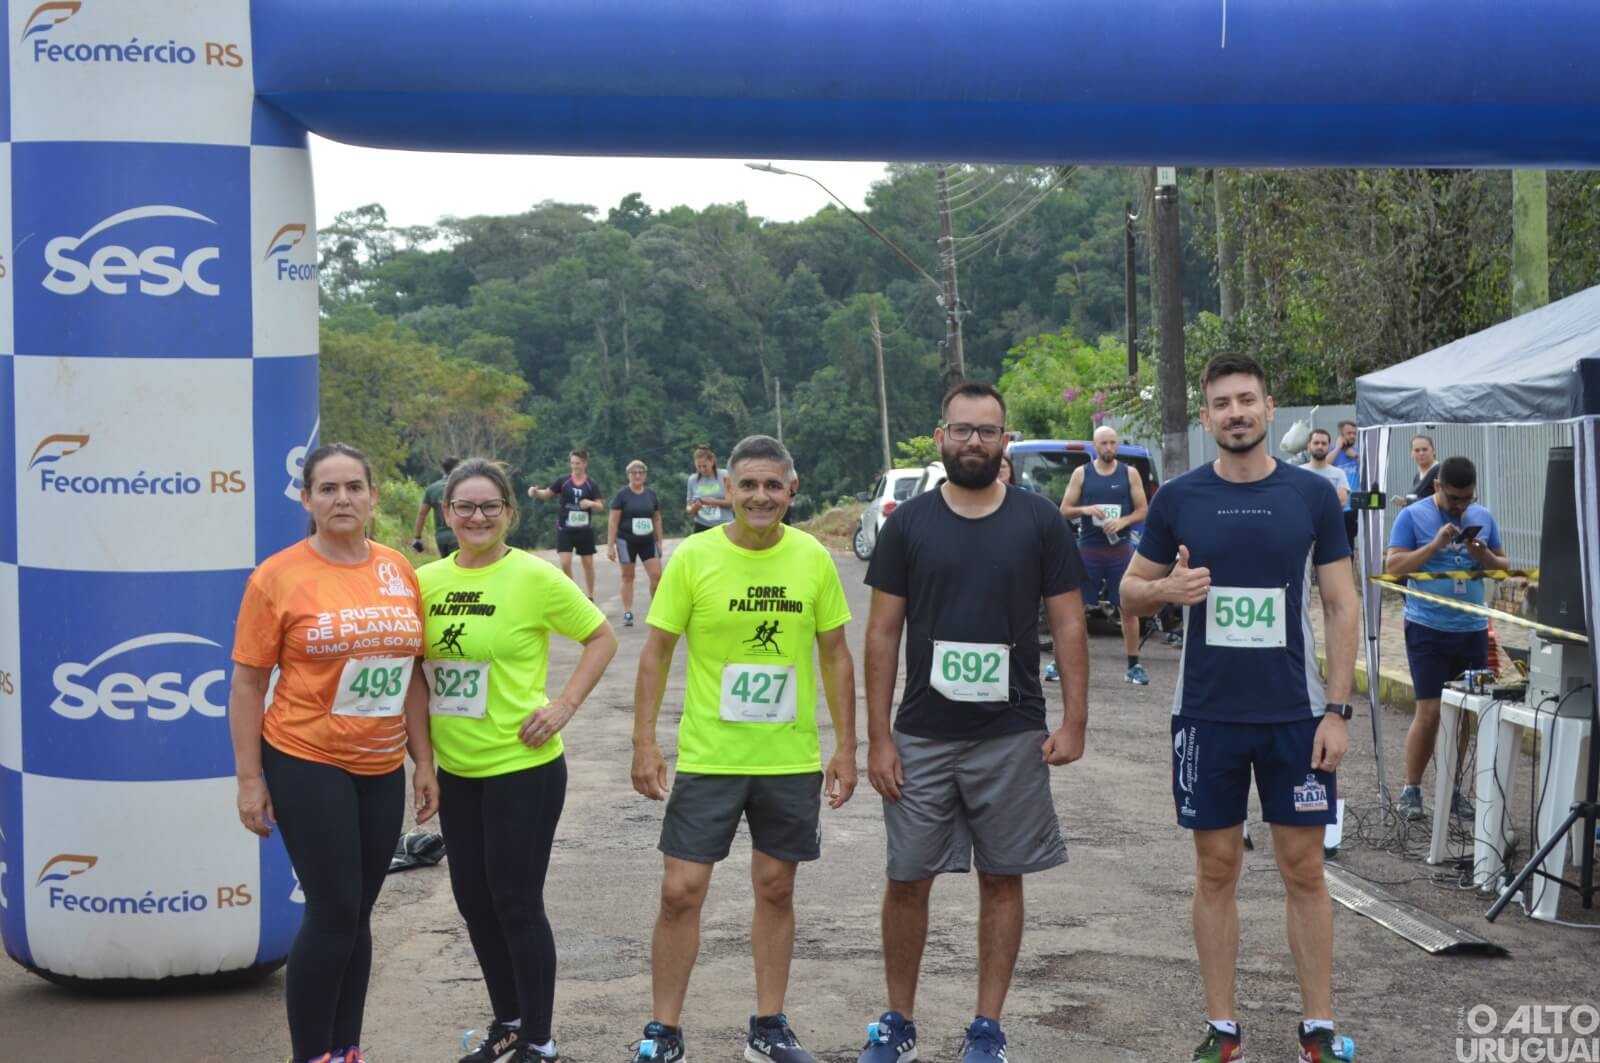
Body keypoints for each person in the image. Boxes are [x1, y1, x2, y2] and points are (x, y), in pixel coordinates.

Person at [1120, 352, 1360, 1063]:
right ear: (1205, 417)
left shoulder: (1313, 496)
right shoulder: (1178, 499)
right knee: (1217, 867)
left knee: (1304, 868)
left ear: (1268, 407)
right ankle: (1222, 1030)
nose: (1235, 413)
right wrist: (1169, 591)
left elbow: (1343, 604)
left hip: (1295, 713)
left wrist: (1338, 710)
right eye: (1221, 403)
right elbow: (1131, 589)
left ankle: (1317, 1028)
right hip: (1207, 713)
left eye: (1246, 400)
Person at [857, 382, 1089, 1063]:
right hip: (922, 732)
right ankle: (898, 1021)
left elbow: (1071, 622)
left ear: (1004, 439)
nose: (974, 442)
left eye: (987, 431)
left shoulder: (1039, 520)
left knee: (1002, 874)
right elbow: (881, 634)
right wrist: (879, 736)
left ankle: (987, 1027)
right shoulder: (910, 523)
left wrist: (1075, 720)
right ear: (940, 436)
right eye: (962, 430)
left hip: (1012, 731)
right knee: (907, 875)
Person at [629, 434, 857, 1063]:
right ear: (725, 490)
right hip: (710, 756)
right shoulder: (694, 558)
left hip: (787, 758)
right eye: (748, 485)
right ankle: (664, 1032)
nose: (760, 496)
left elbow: (835, 655)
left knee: (776, 887)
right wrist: (644, 741)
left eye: (773, 485)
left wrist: (847, 746)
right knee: (681, 890)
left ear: (792, 490)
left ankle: (768, 1026)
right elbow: (656, 652)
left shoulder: (813, 558)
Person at [230, 443, 438, 1063]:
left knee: (360, 912)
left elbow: (411, 674)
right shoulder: (278, 575)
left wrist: (422, 762)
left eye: (353, 487)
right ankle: (310, 1055)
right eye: (328, 489)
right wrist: (249, 778)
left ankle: (346, 1050)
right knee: (333, 908)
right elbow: (245, 682)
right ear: (307, 500)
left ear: (374, 496)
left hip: (380, 766)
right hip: (305, 757)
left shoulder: (398, 568)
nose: (342, 499)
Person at [417, 458, 618, 1063]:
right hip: (457, 770)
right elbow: (411, 675)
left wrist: (564, 706)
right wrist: (423, 764)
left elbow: (601, 636)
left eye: (490, 507)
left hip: (522, 769)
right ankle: (507, 1022)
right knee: (473, 901)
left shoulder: (534, 577)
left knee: (515, 900)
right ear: (446, 513)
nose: (476, 517)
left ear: (510, 512)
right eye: (464, 507)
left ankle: (539, 1038)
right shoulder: (424, 582)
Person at [1385, 456, 1508, 823]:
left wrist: (1482, 554)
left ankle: (1453, 790)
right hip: (1427, 628)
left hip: (1471, 629)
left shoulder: (1482, 516)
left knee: (1464, 715)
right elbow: (1393, 568)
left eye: (1467, 498)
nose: (1460, 506)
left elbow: (1503, 570)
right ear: (1437, 487)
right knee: (1431, 712)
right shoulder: (1412, 516)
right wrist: (1435, 545)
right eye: (1454, 498)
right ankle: (1412, 789)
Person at [1056, 424, 1150, 685]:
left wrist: (1122, 522)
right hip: (1089, 549)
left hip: (1119, 550)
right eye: (1104, 443)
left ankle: (1134, 665)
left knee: (1127, 607)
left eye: (1112, 443)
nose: (1109, 448)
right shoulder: (1082, 473)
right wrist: (1087, 510)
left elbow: (1143, 510)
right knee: (1075, 608)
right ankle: (1061, 661)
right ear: (1094, 446)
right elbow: (1064, 510)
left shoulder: (1129, 473)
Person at [529, 449, 606, 598]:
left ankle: (590, 596)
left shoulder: (591, 484)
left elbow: (600, 506)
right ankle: (574, 596)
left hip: (584, 530)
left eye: (577, 463)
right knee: (565, 564)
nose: (574, 466)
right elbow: (547, 494)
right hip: (565, 528)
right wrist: (535, 492)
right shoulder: (563, 481)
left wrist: (590, 503)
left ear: (584, 463)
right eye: (572, 463)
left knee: (588, 564)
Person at [608, 460, 666, 627]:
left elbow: (657, 518)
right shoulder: (622, 495)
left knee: (656, 575)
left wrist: (660, 542)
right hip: (626, 541)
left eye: (640, 472)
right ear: (629, 475)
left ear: (645, 475)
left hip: (648, 541)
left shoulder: (651, 495)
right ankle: (627, 612)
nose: (637, 475)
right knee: (628, 576)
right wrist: (610, 546)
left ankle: (656, 610)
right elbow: (613, 521)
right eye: (634, 472)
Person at [414, 455, 462, 556]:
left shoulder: (432, 489)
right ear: (459, 468)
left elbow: (422, 513)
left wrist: (417, 537)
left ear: (443, 469)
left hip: (441, 537)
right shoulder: (462, 487)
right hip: (460, 534)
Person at [686, 445, 732, 534]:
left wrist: (712, 501)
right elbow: (688, 507)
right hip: (701, 525)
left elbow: (731, 503)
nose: (702, 469)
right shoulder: (692, 480)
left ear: (712, 462)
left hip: (724, 525)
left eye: (705, 466)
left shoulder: (725, 476)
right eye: (699, 467)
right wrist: (694, 508)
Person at [1332, 419, 1361, 551]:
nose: (1352, 436)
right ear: (1340, 435)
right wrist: (1338, 448)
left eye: (1354, 433)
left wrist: (1356, 456)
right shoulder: (1332, 451)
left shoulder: (1358, 452)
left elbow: (1372, 468)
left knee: (1350, 543)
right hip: (1336, 506)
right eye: (1348, 433)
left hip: (1354, 506)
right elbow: (1322, 466)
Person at [1390, 434, 1440, 508]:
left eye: (1425, 449)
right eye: (1417, 450)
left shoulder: (1439, 471)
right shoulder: (1417, 476)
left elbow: (1444, 500)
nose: (1421, 453)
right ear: (1412, 454)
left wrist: (1411, 502)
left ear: (1433, 451)